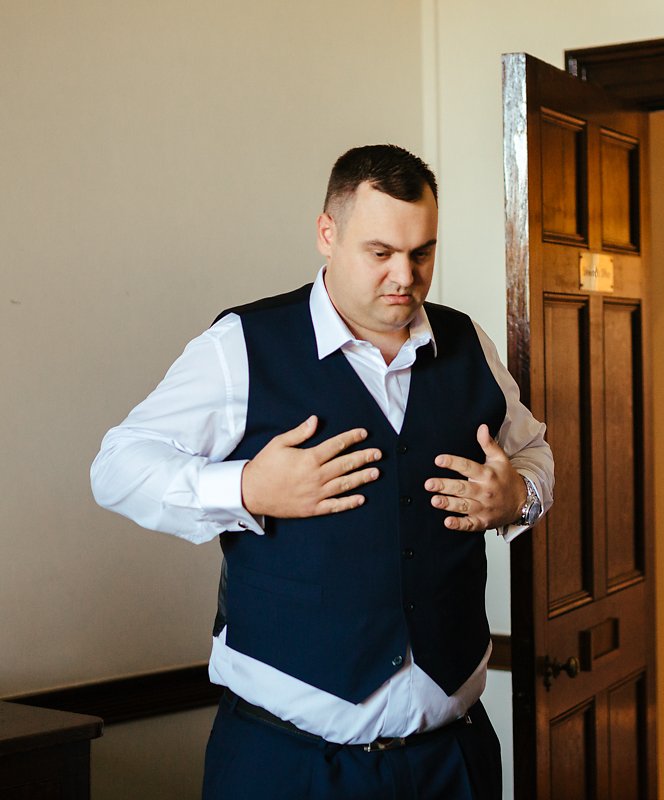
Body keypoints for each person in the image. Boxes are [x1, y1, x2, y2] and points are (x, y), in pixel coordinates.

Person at [91, 144, 553, 800]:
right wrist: (246, 486)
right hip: (288, 767)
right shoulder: (242, 346)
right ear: (327, 235)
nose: (406, 275)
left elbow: (535, 451)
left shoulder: (467, 342)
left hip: (453, 762)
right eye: (381, 253)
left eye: (422, 253)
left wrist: (520, 496)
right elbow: (116, 467)